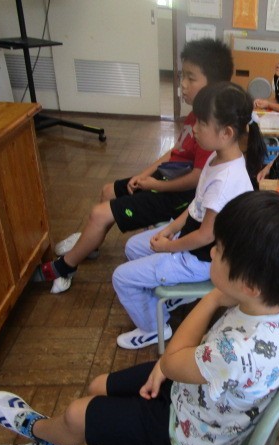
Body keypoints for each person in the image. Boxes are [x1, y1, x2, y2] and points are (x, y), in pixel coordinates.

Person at [0, 190, 279, 445]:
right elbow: (183, 365)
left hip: (186, 436)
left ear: (250, 285)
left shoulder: (236, 351)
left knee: (77, 413)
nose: (211, 252)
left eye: (219, 250)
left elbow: (172, 361)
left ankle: (40, 433)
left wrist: (211, 298)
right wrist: (171, 367)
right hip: (195, 392)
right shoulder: (277, 306)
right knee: (97, 386)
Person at [33, 38, 234, 294]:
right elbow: (175, 153)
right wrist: (144, 175)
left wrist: (155, 185)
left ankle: (65, 267)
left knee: (99, 214)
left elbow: (197, 178)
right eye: (182, 76)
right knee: (108, 191)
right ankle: (90, 245)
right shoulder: (195, 116)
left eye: (190, 78)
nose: (182, 84)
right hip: (164, 181)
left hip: (175, 196)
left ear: (213, 84)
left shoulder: (211, 129)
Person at [113, 81, 267, 350]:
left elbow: (205, 235)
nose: (194, 128)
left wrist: (168, 247)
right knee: (133, 246)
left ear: (226, 133)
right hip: (191, 242)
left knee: (121, 277)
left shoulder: (226, 180)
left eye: (202, 123)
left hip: (201, 259)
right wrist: (170, 229)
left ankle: (154, 328)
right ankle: (161, 298)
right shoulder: (217, 157)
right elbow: (196, 204)